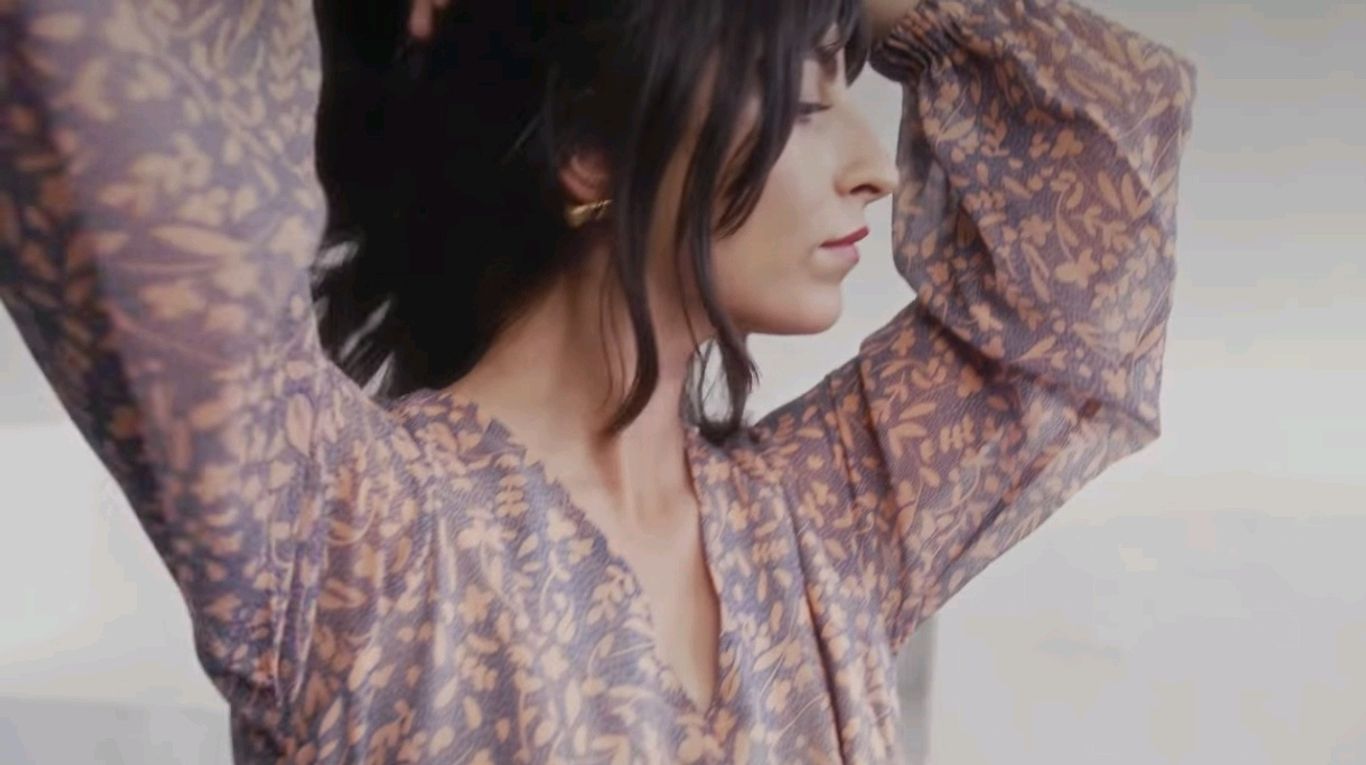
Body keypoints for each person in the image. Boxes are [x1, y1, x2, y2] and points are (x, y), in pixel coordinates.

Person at [0, 0, 1195, 761]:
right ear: (588, 150)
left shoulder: (822, 528)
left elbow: (1089, 260)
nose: (874, 165)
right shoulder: (345, 528)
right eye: (804, 104)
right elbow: (84, 69)